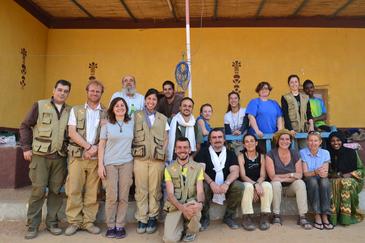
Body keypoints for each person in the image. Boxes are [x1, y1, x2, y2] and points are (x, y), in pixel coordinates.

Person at [19, 80, 72, 239]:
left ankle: (52, 223)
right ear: (54, 89)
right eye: (60, 90)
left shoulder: (70, 111)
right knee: (38, 190)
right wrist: (26, 147)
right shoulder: (40, 105)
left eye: (66, 91)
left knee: (56, 191)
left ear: (68, 93)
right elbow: (24, 125)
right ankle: (32, 225)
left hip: (60, 158)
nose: (62, 93)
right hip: (40, 157)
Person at [65, 80, 107, 236]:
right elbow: (72, 132)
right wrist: (89, 147)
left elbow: (107, 135)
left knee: (92, 192)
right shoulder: (76, 110)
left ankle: (88, 221)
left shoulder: (106, 112)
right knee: (73, 189)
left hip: (96, 159)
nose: (94, 93)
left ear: (101, 94)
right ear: (87, 91)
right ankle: (74, 222)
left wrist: (95, 150)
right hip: (78, 156)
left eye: (98, 91)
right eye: (92, 90)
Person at [133, 88, 169, 234]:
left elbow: (166, 138)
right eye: (149, 99)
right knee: (141, 189)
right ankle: (142, 218)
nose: (151, 102)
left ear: (157, 102)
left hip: (156, 160)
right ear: (145, 100)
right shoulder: (136, 116)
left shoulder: (162, 118)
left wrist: (161, 152)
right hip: (140, 158)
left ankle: (152, 217)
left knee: (154, 189)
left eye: (154, 99)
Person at [194, 128, 244, 231]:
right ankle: (205, 216)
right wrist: (211, 183)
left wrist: (226, 183)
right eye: (214, 137)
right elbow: (201, 171)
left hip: (225, 187)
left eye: (220, 137)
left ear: (224, 139)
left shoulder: (230, 153)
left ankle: (229, 216)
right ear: (210, 140)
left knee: (239, 186)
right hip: (209, 187)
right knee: (203, 186)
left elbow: (235, 171)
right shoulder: (203, 153)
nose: (217, 139)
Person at [98, 97, 134, 238]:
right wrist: (100, 165)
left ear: (126, 108)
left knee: (124, 196)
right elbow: (101, 145)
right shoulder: (106, 125)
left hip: (126, 162)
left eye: (122, 105)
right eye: (117, 106)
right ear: (112, 109)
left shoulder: (131, 122)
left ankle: (120, 225)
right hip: (110, 163)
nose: (120, 108)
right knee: (112, 196)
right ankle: (110, 225)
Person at [266, 129, 312, 230]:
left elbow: (299, 175)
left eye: (287, 139)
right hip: (276, 188)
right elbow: (272, 177)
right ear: (278, 141)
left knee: (300, 183)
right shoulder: (271, 154)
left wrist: (282, 178)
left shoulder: (295, 153)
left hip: (290, 188)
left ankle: (302, 216)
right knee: (276, 183)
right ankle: (276, 215)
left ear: (290, 141)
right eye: (282, 139)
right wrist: (291, 175)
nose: (285, 141)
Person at [163, 137, 204, 243]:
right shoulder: (169, 169)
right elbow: (170, 194)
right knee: (169, 239)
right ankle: (181, 225)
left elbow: (200, 191)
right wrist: (182, 208)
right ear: (175, 150)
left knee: (196, 208)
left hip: (190, 203)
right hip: (176, 206)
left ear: (190, 150)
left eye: (185, 147)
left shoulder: (198, 167)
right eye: (179, 147)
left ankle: (190, 231)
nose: (182, 150)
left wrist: (200, 203)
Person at [328, 131, 365, 226]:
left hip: (353, 180)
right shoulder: (328, 154)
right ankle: (334, 217)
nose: (335, 143)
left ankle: (346, 218)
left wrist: (350, 174)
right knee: (333, 183)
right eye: (332, 141)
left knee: (345, 182)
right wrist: (334, 174)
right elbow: (328, 172)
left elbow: (361, 170)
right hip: (335, 180)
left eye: (338, 140)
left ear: (342, 140)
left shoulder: (351, 152)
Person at [238, 134, 272, 231]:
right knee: (248, 186)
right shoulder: (241, 157)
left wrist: (257, 185)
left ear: (256, 143)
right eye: (247, 141)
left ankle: (264, 215)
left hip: (259, 182)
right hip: (247, 183)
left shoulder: (262, 156)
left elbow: (263, 176)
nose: (250, 143)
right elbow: (243, 176)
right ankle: (247, 216)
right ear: (244, 145)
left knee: (267, 185)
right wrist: (255, 186)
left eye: (252, 141)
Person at [300, 131, 333, 230]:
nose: (313, 143)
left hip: (320, 177)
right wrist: (316, 172)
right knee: (313, 182)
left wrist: (320, 173)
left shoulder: (325, 153)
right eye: (310, 140)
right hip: (309, 178)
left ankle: (325, 214)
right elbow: (305, 173)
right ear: (307, 141)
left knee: (325, 182)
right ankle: (317, 214)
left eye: (315, 141)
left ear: (320, 142)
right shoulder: (303, 152)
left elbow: (325, 173)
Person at [167, 97, 203, 162]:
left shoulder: (196, 126)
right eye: (184, 106)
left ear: (192, 109)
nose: (187, 108)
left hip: (189, 161)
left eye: (190, 106)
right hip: (172, 160)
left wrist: (191, 157)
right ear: (180, 107)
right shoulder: (170, 122)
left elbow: (198, 146)